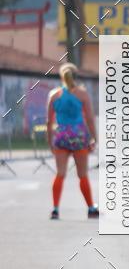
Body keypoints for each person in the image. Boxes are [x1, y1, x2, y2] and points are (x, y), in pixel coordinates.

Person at [46, 63, 99, 220]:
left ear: (61, 77)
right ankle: (91, 208)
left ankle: (55, 209)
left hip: (61, 137)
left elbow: (49, 122)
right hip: (79, 137)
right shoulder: (83, 94)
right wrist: (94, 138)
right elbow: (90, 119)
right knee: (82, 174)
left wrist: (50, 142)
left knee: (60, 173)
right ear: (75, 76)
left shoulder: (54, 95)